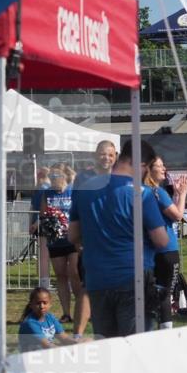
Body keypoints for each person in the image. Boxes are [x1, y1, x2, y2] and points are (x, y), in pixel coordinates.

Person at [68, 139, 169, 338]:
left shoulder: (85, 188)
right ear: (140, 164)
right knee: (135, 346)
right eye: (147, 169)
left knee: (105, 345)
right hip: (133, 278)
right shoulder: (142, 194)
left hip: (97, 278)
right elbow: (161, 240)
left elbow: (72, 235)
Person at [70, 140, 117, 337]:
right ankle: (78, 335)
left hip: (115, 241)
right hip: (91, 241)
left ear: (115, 157)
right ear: (95, 155)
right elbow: (76, 209)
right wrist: (78, 239)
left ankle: (110, 332)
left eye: (110, 155)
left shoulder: (120, 177)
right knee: (88, 287)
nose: (106, 158)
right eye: (103, 154)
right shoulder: (83, 177)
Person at [145, 154, 187, 329]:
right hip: (167, 250)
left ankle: (152, 326)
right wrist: (183, 194)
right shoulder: (157, 192)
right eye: (160, 166)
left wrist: (177, 194)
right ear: (149, 169)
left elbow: (168, 214)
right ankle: (165, 330)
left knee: (152, 293)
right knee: (164, 294)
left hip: (149, 251)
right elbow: (177, 215)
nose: (164, 169)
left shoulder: (142, 191)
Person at [37, 169, 79, 323]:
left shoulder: (73, 191)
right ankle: (67, 313)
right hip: (56, 241)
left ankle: (82, 310)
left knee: (75, 274)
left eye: (57, 176)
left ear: (64, 176)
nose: (54, 180)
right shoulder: (47, 194)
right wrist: (45, 222)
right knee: (61, 276)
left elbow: (80, 212)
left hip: (73, 240)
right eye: (52, 177)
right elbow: (42, 215)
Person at [18, 287, 78, 353]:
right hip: (30, 359)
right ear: (31, 305)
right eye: (38, 303)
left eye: (45, 303)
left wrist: (78, 343)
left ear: (50, 304)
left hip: (45, 355)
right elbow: (47, 345)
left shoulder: (51, 318)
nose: (42, 306)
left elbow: (64, 338)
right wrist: (67, 351)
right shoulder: (29, 323)